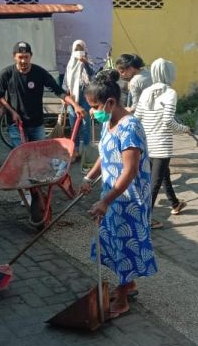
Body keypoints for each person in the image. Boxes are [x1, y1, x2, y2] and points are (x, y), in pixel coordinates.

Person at [79, 70, 157, 318]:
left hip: (129, 200)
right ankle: (129, 284)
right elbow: (105, 154)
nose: (92, 111)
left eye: (95, 106)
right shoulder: (108, 122)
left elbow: (130, 170)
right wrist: (89, 178)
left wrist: (105, 201)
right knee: (113, 243)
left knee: (125, 247)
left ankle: (122, 300)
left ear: (110, 103)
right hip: (112, 195)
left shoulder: (130, 128)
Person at [134, 58, 190, 229]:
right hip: (162, 146)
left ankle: (175, 203)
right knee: (154, 183)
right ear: (169, 73)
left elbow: (137, 118)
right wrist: (184, 128)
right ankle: (145, 220)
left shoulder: (146, 92)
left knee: (163, 174)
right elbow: (168, 122)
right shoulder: (170, 93)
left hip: (146, 145)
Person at [0, 41, 86, 147]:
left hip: (36, 124)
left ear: (31, 56)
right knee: (22, 155)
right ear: (14, 57)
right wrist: (11, 112)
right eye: (20, 57)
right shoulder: (6, 74)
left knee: (40, 154)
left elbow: (58, 91)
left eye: (26, 57)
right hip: (16, 123)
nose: (24, 60)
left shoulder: (39, 73)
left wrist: (75, 105)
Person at [63, 39, 95, 160]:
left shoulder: (89, 61)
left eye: (81, 49)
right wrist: (64, 97)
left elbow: (93, 78)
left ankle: (86, 151)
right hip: (73, 99)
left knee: (86, 126)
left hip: (86, 97)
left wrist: (85, 63)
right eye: (76, 50)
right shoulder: (70, 64)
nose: (79, 52)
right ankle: (74, 151)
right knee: (74, 126)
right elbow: (66, 82)